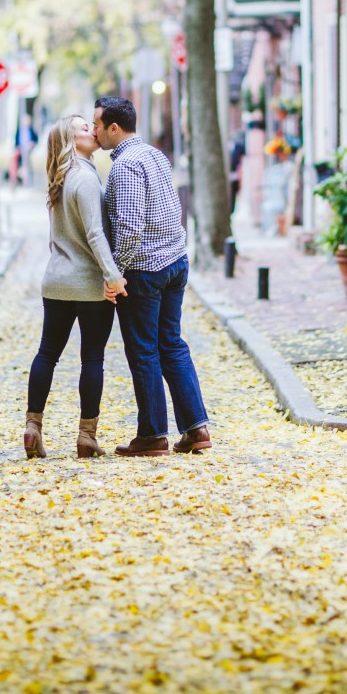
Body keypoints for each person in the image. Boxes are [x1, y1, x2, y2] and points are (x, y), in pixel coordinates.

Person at [92, 96, 212, 457]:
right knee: (171, 344)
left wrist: (115, 273)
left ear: (114, 128)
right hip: (174, 260)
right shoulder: (155, 155)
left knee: (144, 351)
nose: (95, 131)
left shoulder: (125, 165)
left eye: (97, 125)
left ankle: (152, 435)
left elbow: (130, 228)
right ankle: (197, 428)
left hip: (144, 269)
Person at [24, 114, 127, 460]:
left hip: (56, 281)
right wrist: (112, 275)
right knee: (92, 358)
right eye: (84, 128)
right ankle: (86, 436)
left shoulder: (60, 177)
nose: (93, 130)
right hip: (88, 285)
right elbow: (96, 234)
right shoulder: (85, 178)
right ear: (70, 141)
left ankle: (32, 427)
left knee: (47, 354)